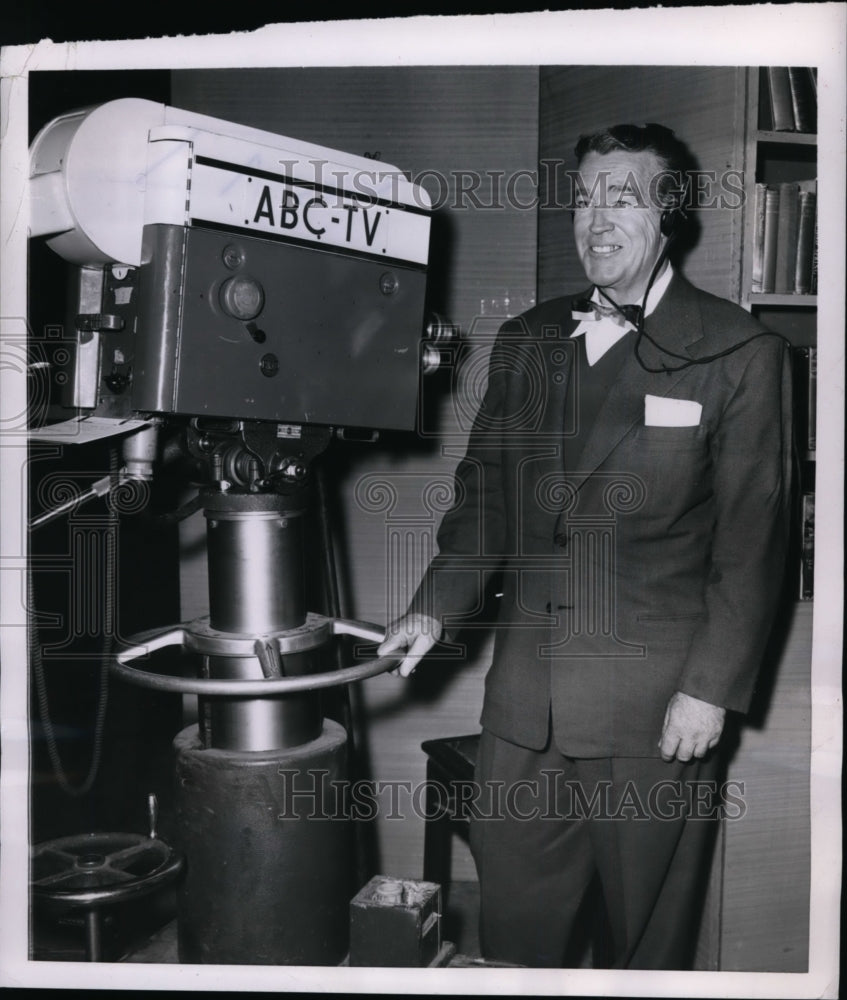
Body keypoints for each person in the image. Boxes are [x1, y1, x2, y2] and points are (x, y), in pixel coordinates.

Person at [378, 123, 793, 969]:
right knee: (515, 938)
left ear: (668, 213)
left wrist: (709, 691)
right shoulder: (528, 339)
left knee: (645, 943)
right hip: (524, 708)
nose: (595, 218)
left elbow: (753, 544)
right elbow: (485, 502)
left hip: (655, 714)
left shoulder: (740, 354)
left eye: (621, 196)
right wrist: (432, 609)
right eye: (583, 196)